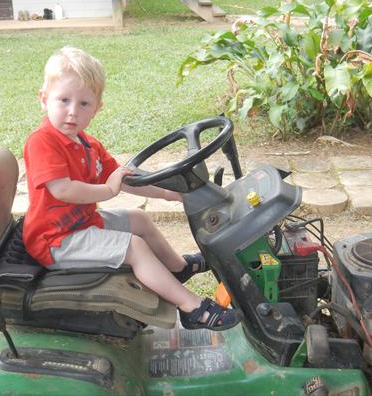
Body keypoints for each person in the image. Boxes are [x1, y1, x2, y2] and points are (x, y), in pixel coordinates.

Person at [22, 46, 241, 331]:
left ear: (97, 108)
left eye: (84, 104)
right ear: (44, 99)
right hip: (55, 241)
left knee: (139, 219)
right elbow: (62, 190)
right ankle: (191, 308)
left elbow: (125, 178)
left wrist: (169, 193)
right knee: (134, 247)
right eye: (63, 100)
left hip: (81, 225)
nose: (73, 112)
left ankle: (179, 268)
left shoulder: (87, 144)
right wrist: (108, 191)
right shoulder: (42, 142)